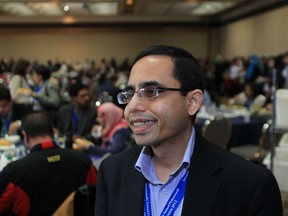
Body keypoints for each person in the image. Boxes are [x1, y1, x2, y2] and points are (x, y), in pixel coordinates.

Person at [95, 45, 282, 215]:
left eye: (151, 92)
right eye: (130, 94)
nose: (132, 106)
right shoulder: (112, 172)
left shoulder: (250, 185)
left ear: (192, 102)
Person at [0, 111, 97, 215]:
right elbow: (98, 195)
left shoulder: (14, 173)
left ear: (25, 136)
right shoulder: (83, 161)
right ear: (54, 132)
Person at [73, 102, 132, 166]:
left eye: (101, 117)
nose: (98, 120)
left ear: (110, 117)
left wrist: (89, 147)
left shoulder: (121, 131)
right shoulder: (110, 127)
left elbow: (113, 152)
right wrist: (89, 137)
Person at [56, 83, 96, 148]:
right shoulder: (64, 111)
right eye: (83, 96)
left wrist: (81, 138)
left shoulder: (92, 111)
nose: (87, 98)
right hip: (65, 144)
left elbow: (94, 133)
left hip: (84, 144)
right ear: (74, 97)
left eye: (87, 95)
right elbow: (60, 131)